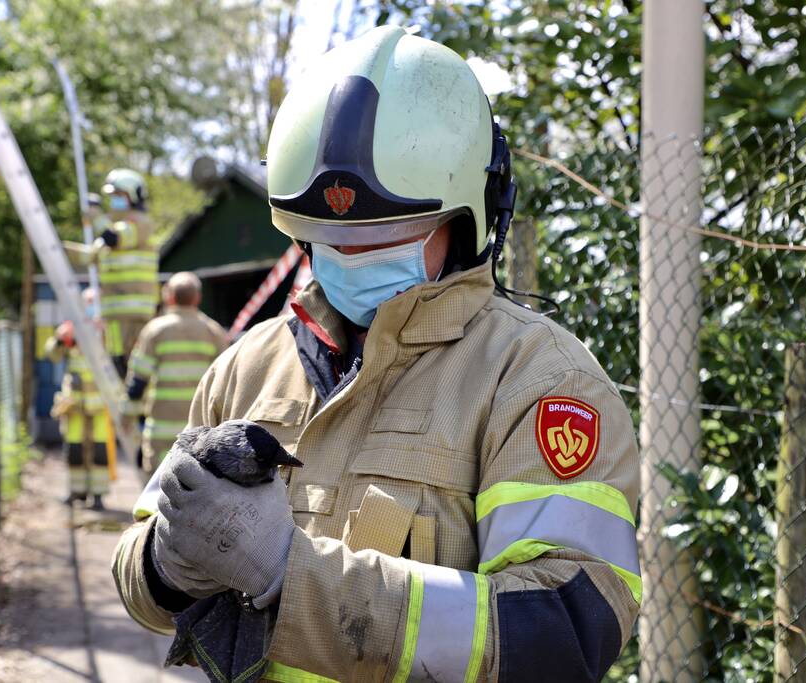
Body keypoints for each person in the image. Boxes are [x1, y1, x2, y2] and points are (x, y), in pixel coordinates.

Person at [112, 25, 641, 682]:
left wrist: (289, 572)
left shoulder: (536, 381)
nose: (353, 255)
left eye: (387, 234)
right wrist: (167, 564)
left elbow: (564, 632)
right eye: (329, 237)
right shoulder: (245, 367)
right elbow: (136, 575)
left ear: (475, 217)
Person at [123, 272, 228, 476]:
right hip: (201, 427)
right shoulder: (213, 331)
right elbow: (226, 382)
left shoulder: (155, 330)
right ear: (197, 298)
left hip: (161, 426)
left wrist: (127, 415)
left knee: (159, 484)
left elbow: (138, 381)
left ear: (169, 297)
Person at [46, 289, 110, 510]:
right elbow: (52, 356)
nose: (90, 307)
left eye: (94, 302)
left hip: (100, 404)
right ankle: (77, 491)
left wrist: (105, 333)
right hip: (74, 404)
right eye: (88, 303)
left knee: (99, 450)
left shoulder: (107, 329)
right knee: (74, 448)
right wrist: (60, 338)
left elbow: (119, 356)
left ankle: (99, 495)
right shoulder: (71, 329)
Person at [93, 168, 159, 377]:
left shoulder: (139, 222)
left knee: (134, 365)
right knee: (116, 363)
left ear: (133, 195)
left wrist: (96, 218)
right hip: (113, 310)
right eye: (112, 196)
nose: (114, 200)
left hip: (135, 310)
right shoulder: (115, 223)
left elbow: (114, 238)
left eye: (118, 195)